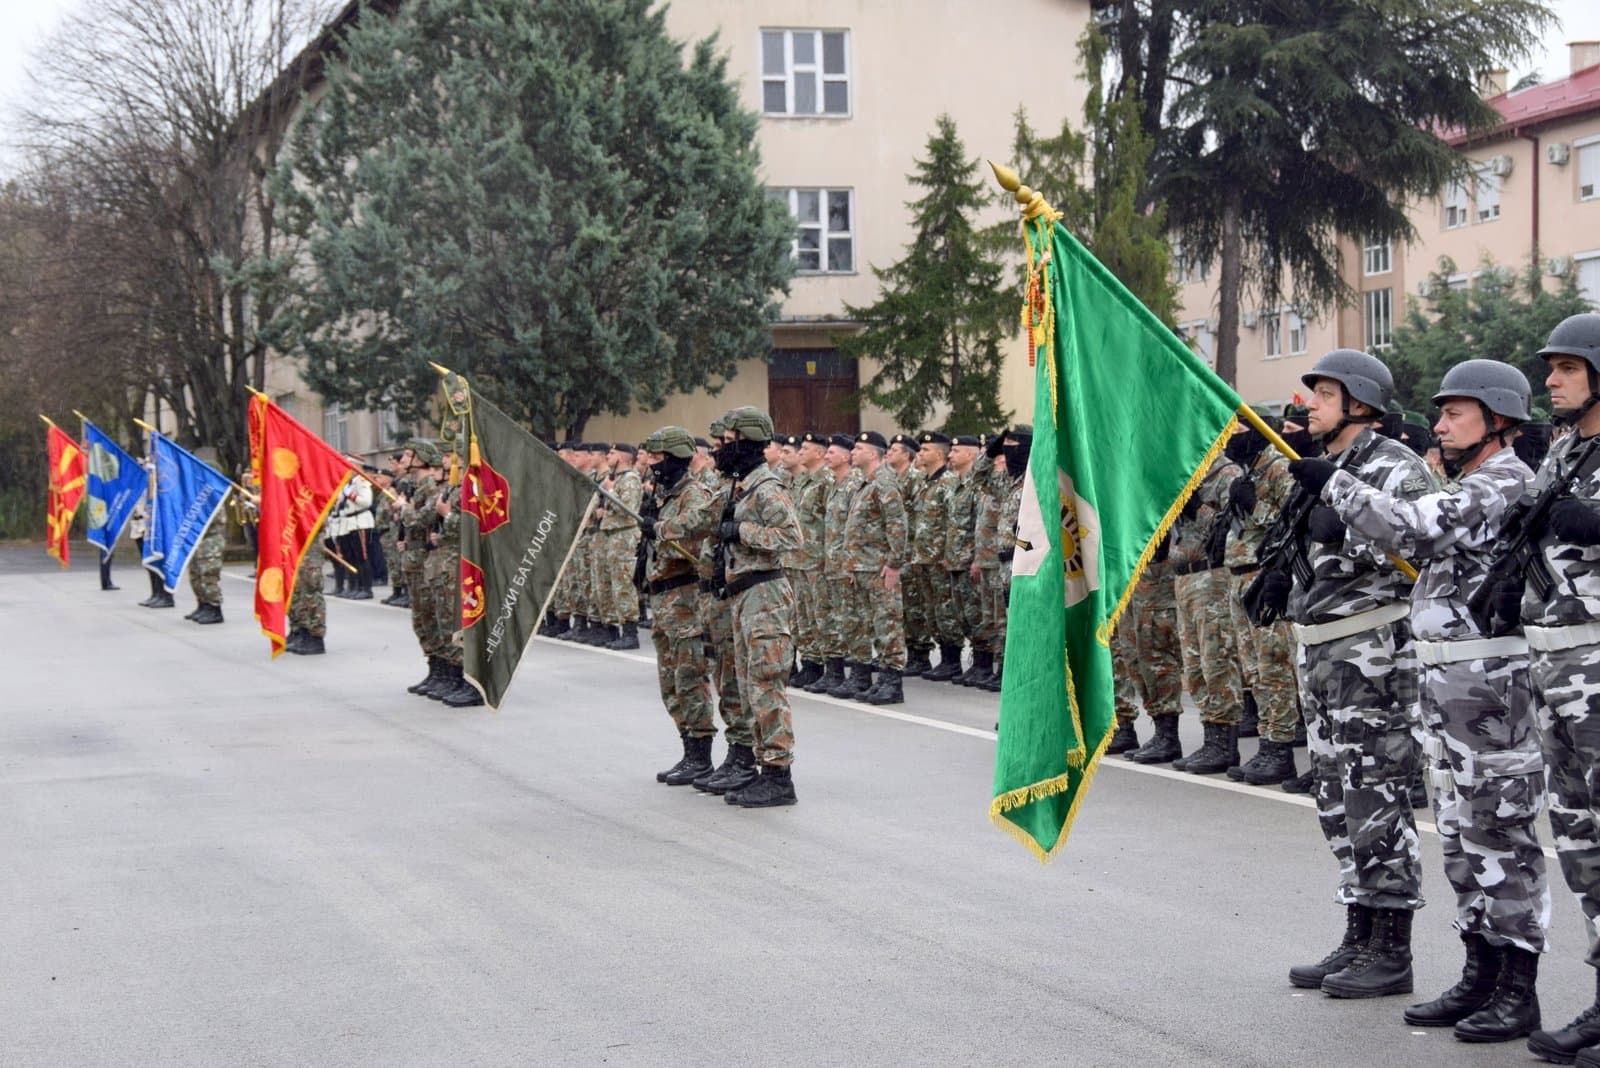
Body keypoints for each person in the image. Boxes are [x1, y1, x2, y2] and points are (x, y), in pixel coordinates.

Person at [1294, 359, 1548, 1041]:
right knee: (1464, 838)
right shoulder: (1474, 479)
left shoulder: (1504, 483)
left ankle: (1516, 987)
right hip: (1448, 685)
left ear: (1498, 421)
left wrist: (1340, 489)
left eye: (1455, 413)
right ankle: (1480, 974)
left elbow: (1412, 527)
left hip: (1489, 688)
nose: (1438, 426)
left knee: (1500, 836)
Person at [1277, 348, 1431, 999]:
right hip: (1321, 654)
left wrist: (1344, 521)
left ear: (1360, 403)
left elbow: (1421, 542)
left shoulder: (1398, 466)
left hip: (1372, 657)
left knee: (1378, 800)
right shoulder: (1327, 466)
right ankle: (1359, 932)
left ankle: (1392, 950)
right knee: (1337, 803)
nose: (1309, 403)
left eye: (1323, 393)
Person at [1514, 314, 1600, 1066]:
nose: (1551, 381)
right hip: (1552, 669)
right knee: (1580, 845)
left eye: (1567, 368)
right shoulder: (1566, 451)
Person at [712, 407, 803, 807]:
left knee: (766, 685)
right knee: (751, 687)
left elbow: (791, 537)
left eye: (731, 440)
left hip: (765, 595)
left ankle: (780, 777)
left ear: (748, 442)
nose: (725, 447)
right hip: (744, 595)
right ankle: (763, 768)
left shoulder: (767, 487)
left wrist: (742, 531)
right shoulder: (741, 486)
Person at [635, 426, 720, 784]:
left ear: (673, 458)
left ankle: (701, 755)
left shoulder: (693, 492)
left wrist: (662, 528)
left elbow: (698, 526)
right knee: (669, 681)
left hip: (685, 597)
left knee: (689, 677)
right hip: (664, 597)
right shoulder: (666, 495)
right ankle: (687, 749)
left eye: (657, 458)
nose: (652, 465)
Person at [1222, 414, 1302, 785]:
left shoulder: (1278, 467)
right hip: (1240, 577)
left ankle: (1280, 750)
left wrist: (1255, 505)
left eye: (1237, 429)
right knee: (1254, 670)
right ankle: (1267, 744)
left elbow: (1291, 523)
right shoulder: (1249, 469)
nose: (1228, 436)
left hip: (1265, 577)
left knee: (1274, 667)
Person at [1165, 448, 1244, 774]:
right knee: (1194, 664)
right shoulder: (1181, 471)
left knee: (1217, 660)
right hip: (1183, 578)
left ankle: (1225, 742)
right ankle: (1211, 736)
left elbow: (1237, 526)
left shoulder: (1227, 474)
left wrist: (1197, 507)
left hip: (1212, 575)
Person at [841, 431, 910, 705]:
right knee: (870, 623)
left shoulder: (884, 482)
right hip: (863, 567)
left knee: (887, 623)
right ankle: (879, 678)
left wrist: (894, 563)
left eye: (858, 448)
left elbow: (897, 523)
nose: (852, 452)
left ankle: (892, 683)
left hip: (880, 567)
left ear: (872, 454)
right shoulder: (865, 483)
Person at [186, 516, 225, 624]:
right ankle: (203, 605)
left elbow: (214, 519)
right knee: (195, 574)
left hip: (210, 541)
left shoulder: (212, 500)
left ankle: (214, 608)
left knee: (209, 576)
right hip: (198, 539)